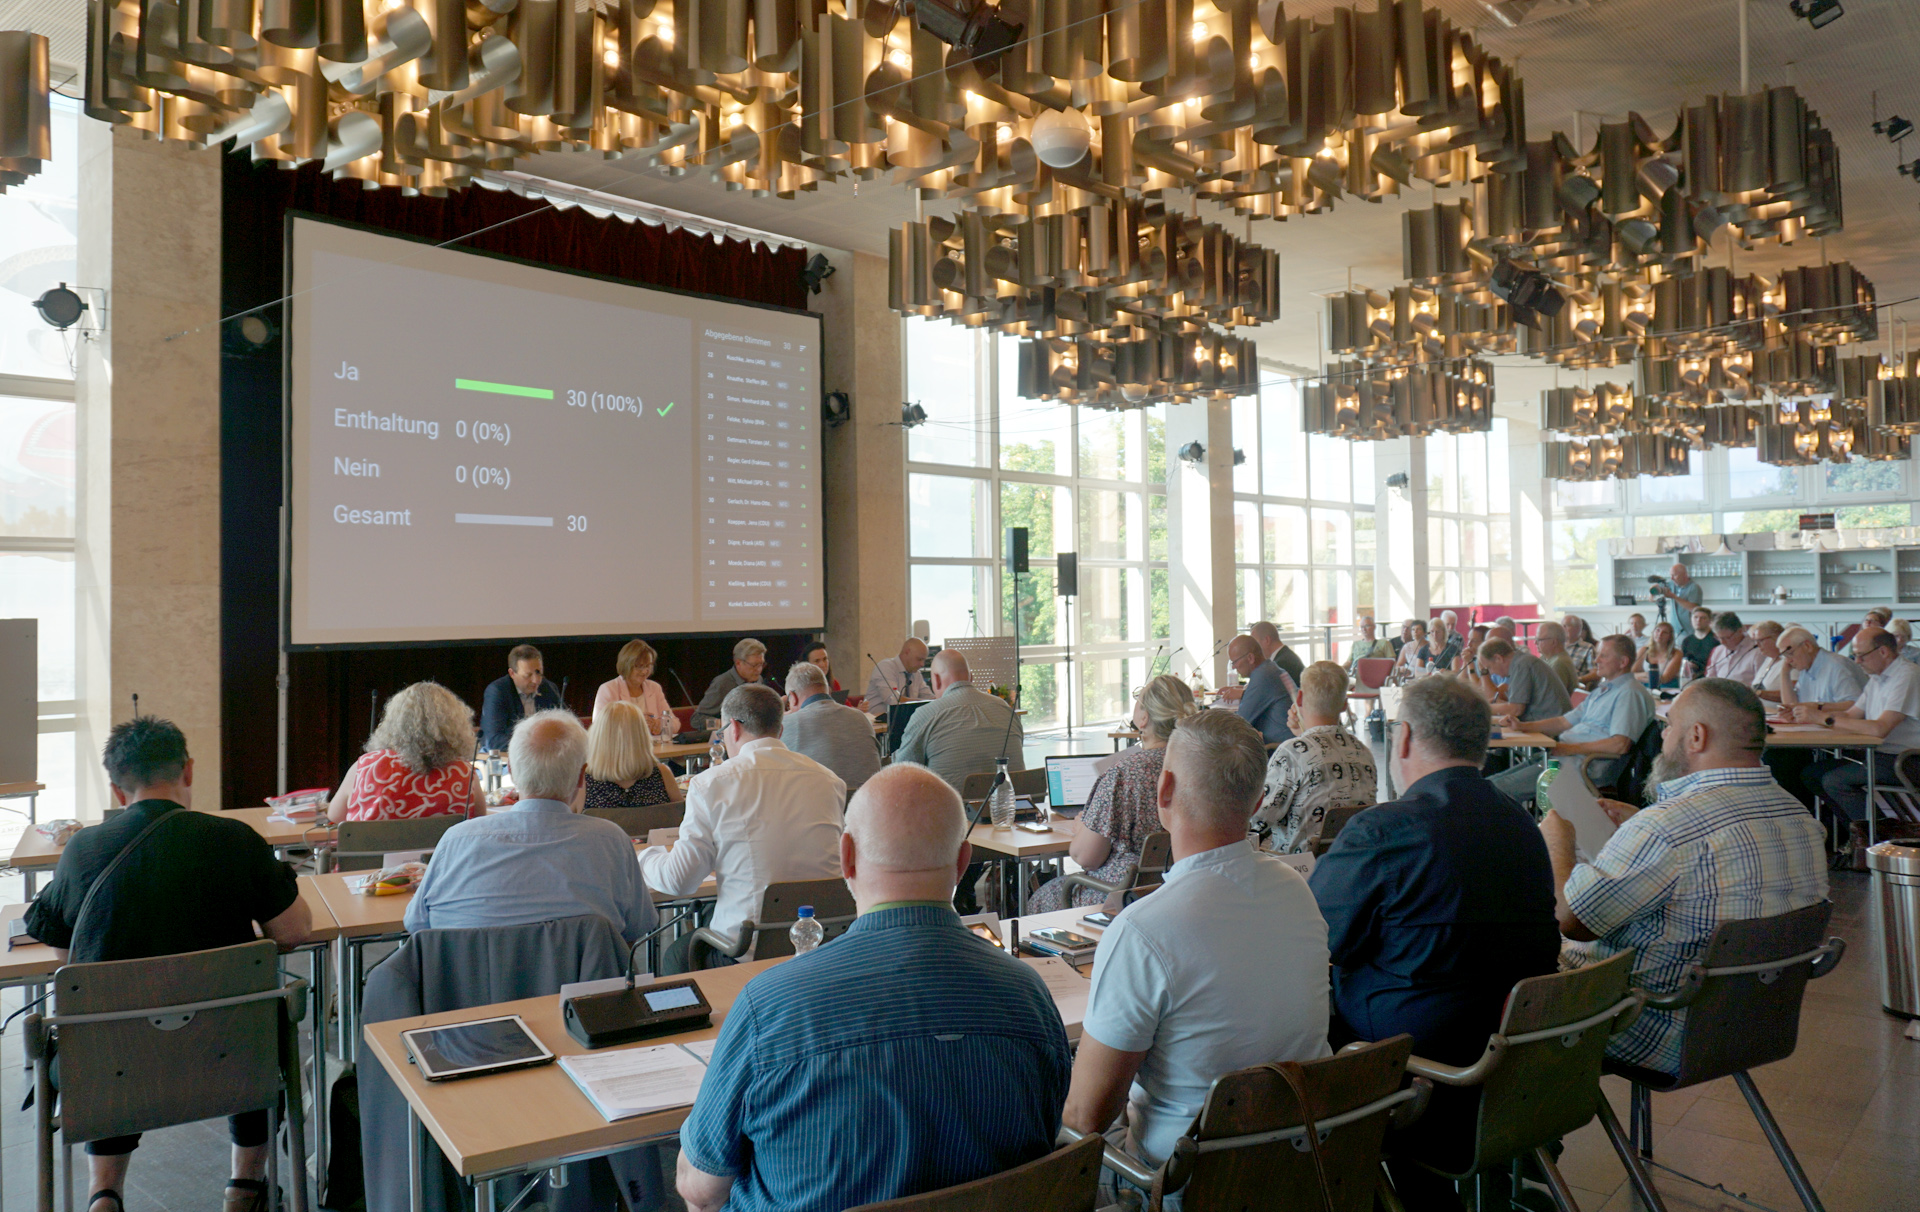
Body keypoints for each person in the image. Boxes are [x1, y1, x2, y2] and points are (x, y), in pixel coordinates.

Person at [675, 765, 1070, 1212]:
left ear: (846, 856)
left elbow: (701, 1189)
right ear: (964, 861)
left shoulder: (769, 1007)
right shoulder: (1028, 995)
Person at [25, 717, 313, 1212]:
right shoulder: (234, 839)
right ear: (188, 769)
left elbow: (68, 959)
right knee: (252, 1018)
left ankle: (104, 1194)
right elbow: (294, 932)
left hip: (114, 1065)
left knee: (107, 1026)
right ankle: (245, 1187)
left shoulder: (82, 850)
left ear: (117, 790)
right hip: (233, 1052)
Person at [1309, 677, 1559, 1194]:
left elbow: (1317, 945)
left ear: (1402, 739)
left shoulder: (1383, 831)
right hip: (1516, 1067)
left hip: (1411, 1070)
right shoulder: (1522, 825)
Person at [1062, 711, 1330, 1181]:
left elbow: (1086, 1119)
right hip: (1305, 1168)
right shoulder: (1297, 890)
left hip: (1179, 1183)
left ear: (1164, 791)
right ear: (1257, 802)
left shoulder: (1143, 931)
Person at [1545, 679, 1827, 1075]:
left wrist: (1558, 841)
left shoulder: (1667, 828)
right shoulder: (1801, 818)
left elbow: (1571, 920)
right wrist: (1639, 825)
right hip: (1751, 1026)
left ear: (1696, 736)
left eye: (1670, 725)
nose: (1663, 735)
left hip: (1648, 1025)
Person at [641, 684, 845, 972]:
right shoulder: (829, 780)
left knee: (677, 954)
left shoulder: (712, 783)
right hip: (822, 943)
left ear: (733, 728)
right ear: (780, 730)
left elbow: (680, 880)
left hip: (747, 950)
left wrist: (644, 858)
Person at [406, 711, 659, 943]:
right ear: (582, 776)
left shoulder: (456, 841)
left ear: (512, 772)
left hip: (474, 991)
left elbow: (417, 924)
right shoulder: (611, 840)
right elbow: (638, 926)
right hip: (582, 987)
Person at [1028, 675, 1198, 912]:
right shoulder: (1200, 766)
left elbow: (1085, 857)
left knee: (1042, 896)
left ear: (1143, 718)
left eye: (1138, 699)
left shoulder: (1124, 773)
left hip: (1122, 896)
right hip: (1184, 890)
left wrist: (1081, 829)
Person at [1491, 635, 1655, 808]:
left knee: (1496, 790)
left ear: (1623, 662)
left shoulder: (1629, 694)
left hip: (1583, 767)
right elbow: (1563, 722)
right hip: (1566, 757)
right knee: (1491, 784)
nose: (1596, 660)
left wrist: (1569, 749)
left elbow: (1620, 744)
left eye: (1603, 656)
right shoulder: (1603, 691)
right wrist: (1523, 726)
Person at [1798, 627, 1920, 825]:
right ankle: (1857, 834)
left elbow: (1880, 728)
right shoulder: (1877, 678)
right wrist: (1811, 716)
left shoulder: (1907, 675)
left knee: (1835, 781)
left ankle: (1878, 837)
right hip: (1882, 755)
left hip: (1908, 759)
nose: (1857, 662)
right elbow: (1850, 715)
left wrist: (1825, 719)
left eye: (1861, 655)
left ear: (1883, 651)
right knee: (1813, 774)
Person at [1254, 663, 1376, 854]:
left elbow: (1258, 821)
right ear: (1344, 704)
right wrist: (1301, 735)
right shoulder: (1364, 753)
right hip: (1349, 864)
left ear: (1300, 697)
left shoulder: (1291, 753)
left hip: (1299, 871)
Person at [327, 681, 485, 823]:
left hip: (374, 855)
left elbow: (334, 816)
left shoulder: (366, 766)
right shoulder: (465, 773)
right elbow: (478, 821)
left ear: (393, 721)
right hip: (442, 856)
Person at [892, 650, 1025, 792]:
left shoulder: (927, 715)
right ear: (971, 677)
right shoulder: (1005, 709)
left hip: (953, 811)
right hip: (1015, 809)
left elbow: (902, 774)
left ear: (936, 680)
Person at [780, 660, 881, 795]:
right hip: (866, 806)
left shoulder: (786, 724)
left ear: (793, 697)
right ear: (827, 689)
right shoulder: (860, 718)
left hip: (820, 810)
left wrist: (779, 717)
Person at [583, 700, 681, 811]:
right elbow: (682, 817)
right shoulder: (662, 774)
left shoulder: (583, 781)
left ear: (597, 736)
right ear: (642, 736)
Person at [480, 644, 563, 751]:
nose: (536, 680)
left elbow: (564, 727)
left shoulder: (549, 688)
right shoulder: (497, 691)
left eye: (539, 672)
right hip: (506, 757)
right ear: (512, 673)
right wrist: (534, 746)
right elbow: (494, 740)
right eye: (528, 675)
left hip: (542, 757)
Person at [592, 638, 678, 738]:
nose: (645, 671)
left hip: (652, 748)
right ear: (627, 665)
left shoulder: (654, 688)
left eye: (648, 666)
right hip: (620, 750)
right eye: (639, 666)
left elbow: (675, 724)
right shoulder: (608, 689)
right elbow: (600, 728)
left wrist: (659, 725)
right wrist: (636, 723)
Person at [1221, 633, 1297, 743]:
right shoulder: (1269, 668)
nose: (1233, 667)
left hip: (1277, 748)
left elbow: (1241, 721)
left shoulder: (1263, 676)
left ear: (1250, 658)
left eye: (1235, 662)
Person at [1483, 637, 1573, 725]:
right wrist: (1500, 705)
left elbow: (1516, 709)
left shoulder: (1521, 665)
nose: (1491, 673)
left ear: (1498, 658)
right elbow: (1517, 706)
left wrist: (1484, 708)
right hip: (1547, 723)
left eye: (1489, 667)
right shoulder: (1521, 662)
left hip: (1551, 729)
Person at [693, 638, 772, 731]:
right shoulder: (721, 684)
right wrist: (724, 723)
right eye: (754, 665)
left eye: (761, 664)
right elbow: (696, 720)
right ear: (738, 663)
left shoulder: (759, 679)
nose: (759, 670)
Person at [865, 637, 933, 712]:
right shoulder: (885, 667)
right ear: (907, 652)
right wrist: (924, 703)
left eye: (924, 660)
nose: (922, 664)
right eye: (919, 659)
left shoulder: (916, 673)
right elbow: (893, 700)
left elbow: (928, 696)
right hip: (877, 721)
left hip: (905, 720)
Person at [1704, 611, 1763, 685]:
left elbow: (1760, 684)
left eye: (1727, 638)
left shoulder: (1757, 650)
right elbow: (1710, 680)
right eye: (1719, 638)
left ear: (1740, 631)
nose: (1722, 642)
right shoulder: (1718, 650)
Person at [1250, 619, 1306, 683]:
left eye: (1255, 644)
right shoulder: (1284, 656)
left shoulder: (1282, 664)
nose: (1254, 649)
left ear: (1266, 640)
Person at [1652, 561, 1703, 626]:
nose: (1672, 578)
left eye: (1674, 575)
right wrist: (1654, 592)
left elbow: (1694, 609)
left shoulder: (1694, 587)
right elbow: (1654, 591)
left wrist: (1674, 596)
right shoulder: (1672, 584)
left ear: (1684, 575)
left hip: (1689, 628)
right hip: (1675, 628)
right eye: (1671, 575)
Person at [1533, 621, 1578, 695]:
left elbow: (1550, 696)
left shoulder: (1559, 663)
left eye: (1539, 640)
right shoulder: (1546, 658)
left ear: (1554, 642)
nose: (1535, 643)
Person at [1640, 621, 1684, 690]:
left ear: (1670, 637)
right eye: (1658, 630)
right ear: (1653, 632)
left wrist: (1641, 676)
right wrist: (1646, 675)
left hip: (1668, 688)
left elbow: (1664, 679)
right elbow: (1631, 673)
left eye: (1665, 632)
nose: (1660, 634)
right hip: (1645, 688)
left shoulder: (1676, 653)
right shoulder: (1644, 650)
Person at [1750, 621, 1788, 700]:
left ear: (1777, 638)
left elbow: (1794, 694)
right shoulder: (1768, 659)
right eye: (1755, 641)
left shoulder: (1790, 660)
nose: (1757, 644)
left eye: (1761, 640)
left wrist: (1758, 693)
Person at [1680, 606, 1718, 680]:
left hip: (1709, 678)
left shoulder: (1716, 640)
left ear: (1709, 621)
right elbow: (1683, 661)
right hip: (1689, 678)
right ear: (1691, 619)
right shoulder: (1686, 641)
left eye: (1703, 618)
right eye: (1695, 617)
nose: (1698, 620)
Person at [1563, 614, 1598, 684]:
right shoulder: (1558, 646)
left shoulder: (1588, 648)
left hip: (1573, 687)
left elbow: (1596, 673)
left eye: (1566, 626)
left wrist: (1578, 679)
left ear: (1578, 628)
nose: (1563, 629)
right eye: (1562, 626)